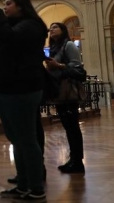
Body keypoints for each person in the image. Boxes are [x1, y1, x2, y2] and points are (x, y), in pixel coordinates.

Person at [0, 0, 48, 201]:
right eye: (4, 5)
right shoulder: (11, 26)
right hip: (9, 88)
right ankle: (23, 183)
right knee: (16, 139)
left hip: (24, 88)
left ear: (21, 6)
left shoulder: (32, 25)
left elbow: (12, 39)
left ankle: (36, 188)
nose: (5, 7)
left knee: (26, 139)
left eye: (8, 4)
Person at [46, 22, 85, 174]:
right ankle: (73, 159)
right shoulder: (54, 47)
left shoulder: (68, 45)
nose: (51, 29)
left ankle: (77, 162)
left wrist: (59, 66)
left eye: (55, 27)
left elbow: (77, 68)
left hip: (68, 91)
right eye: (50, 28)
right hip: (59, 92)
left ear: (63, 30)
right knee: (68, 127)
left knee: (73, 127)